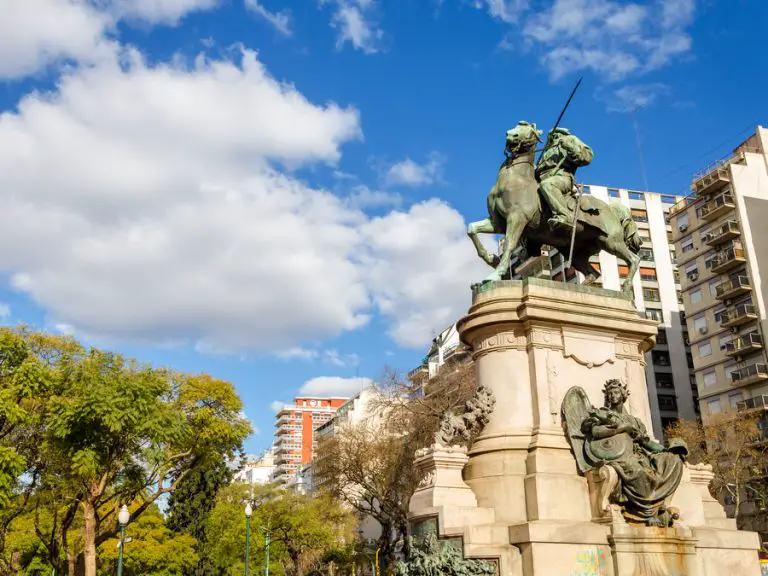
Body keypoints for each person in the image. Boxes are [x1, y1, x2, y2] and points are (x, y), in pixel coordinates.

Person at [580, 379, 688, 526]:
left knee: (673, 461)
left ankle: (659, 507)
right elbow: (595, 432)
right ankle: (646, 513)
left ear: (623, 395)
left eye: (616, 392)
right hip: (620, 457)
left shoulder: (635, 421)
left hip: (640, 455)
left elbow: (646, 443)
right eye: (610, 393)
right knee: (636, 470)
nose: (613, 396)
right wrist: (622, 429)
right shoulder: (603, 414)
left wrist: (666, 451)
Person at [535, 127, 593, 233]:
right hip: (543, 178)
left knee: (548, 185)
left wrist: (569, 146)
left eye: (555, 135)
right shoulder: (547, 151)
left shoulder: (569, 139)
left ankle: (564, 216)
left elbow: (587, 157)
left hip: (562, 177)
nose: (552, 138)